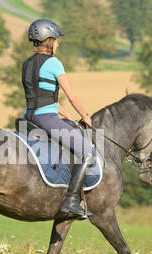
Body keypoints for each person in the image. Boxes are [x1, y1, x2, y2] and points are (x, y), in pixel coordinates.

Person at [22, 19, 97, 219]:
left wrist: (66, 115)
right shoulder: (53, 62)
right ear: (48, 41)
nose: (58, 44)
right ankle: (71, 200)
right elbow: (71, 95)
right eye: (56, 40)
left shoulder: (27, 63)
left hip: (28, 117)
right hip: (45, 118)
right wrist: (85, 116)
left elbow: (42, 95)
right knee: (89, 153)